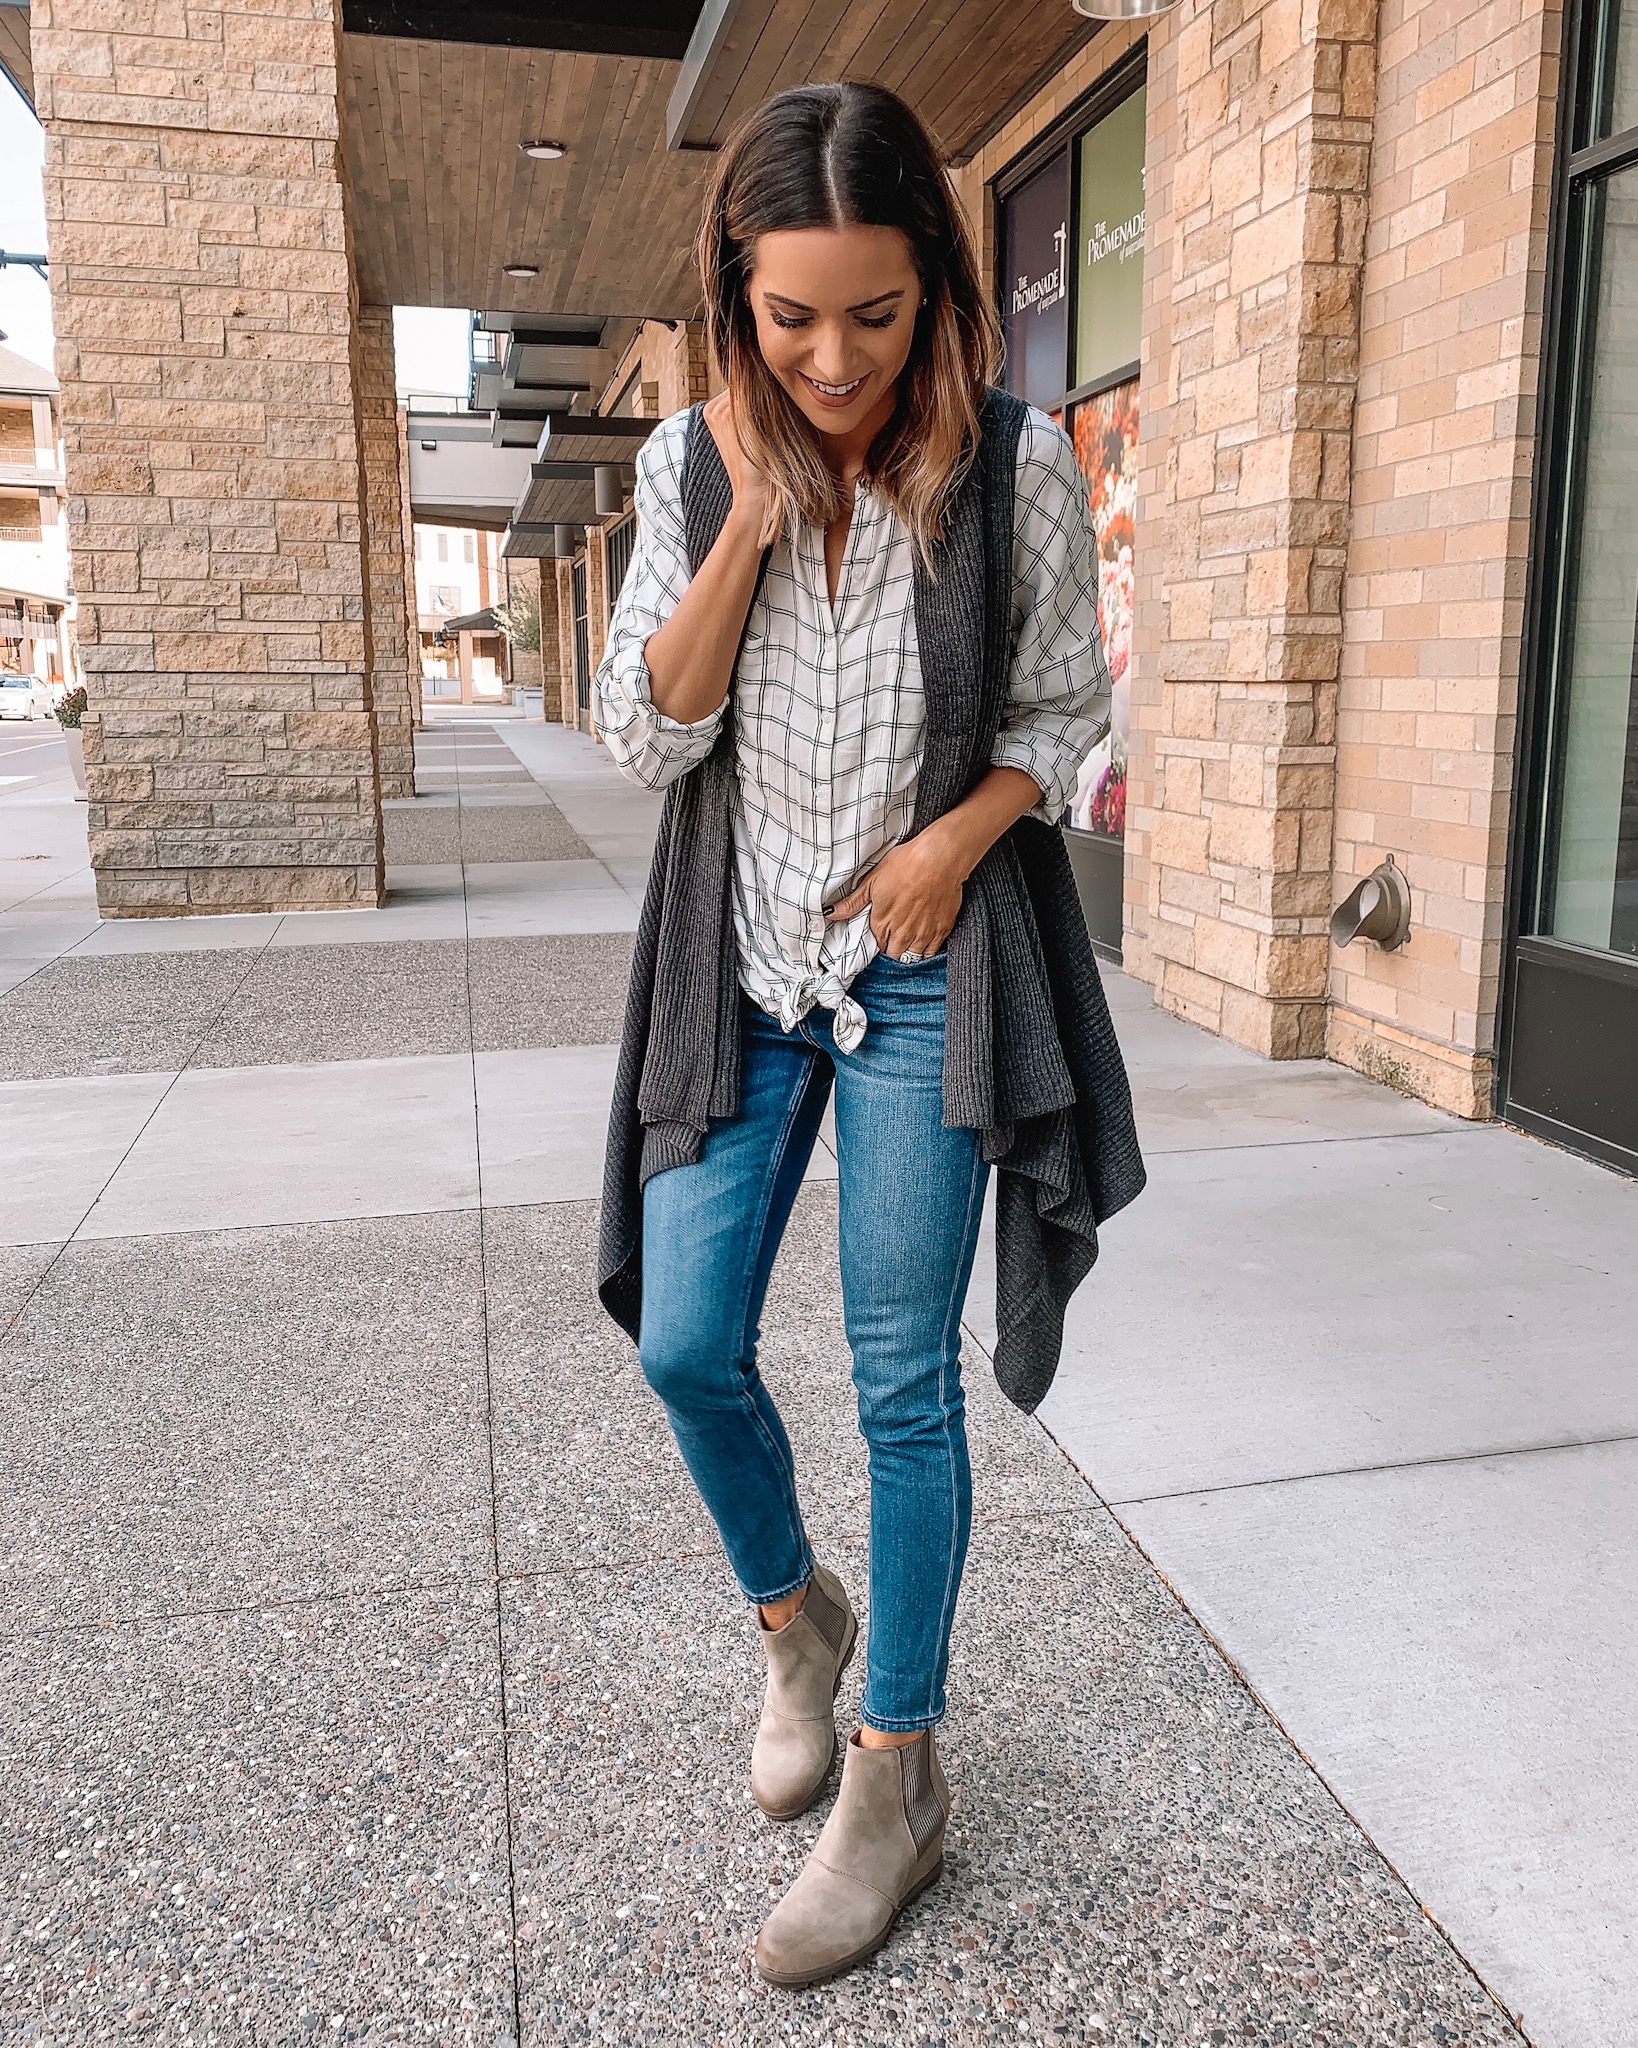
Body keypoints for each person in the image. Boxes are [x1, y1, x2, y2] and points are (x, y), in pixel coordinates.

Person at [593, 81, 1144, 1989]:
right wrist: (744, 526)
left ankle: (896, 1776)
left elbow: (1070, 715)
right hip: (739, 973)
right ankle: (795, 1624)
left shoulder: (1018, 470)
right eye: (788, 314)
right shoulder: (682, 472)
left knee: (898, 1378)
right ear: (735, 294)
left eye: (876, 315)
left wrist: (952, 845)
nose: (830, 358)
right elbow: (646, 738)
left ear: (941, 295)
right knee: (682, 1344)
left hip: (920, 979)